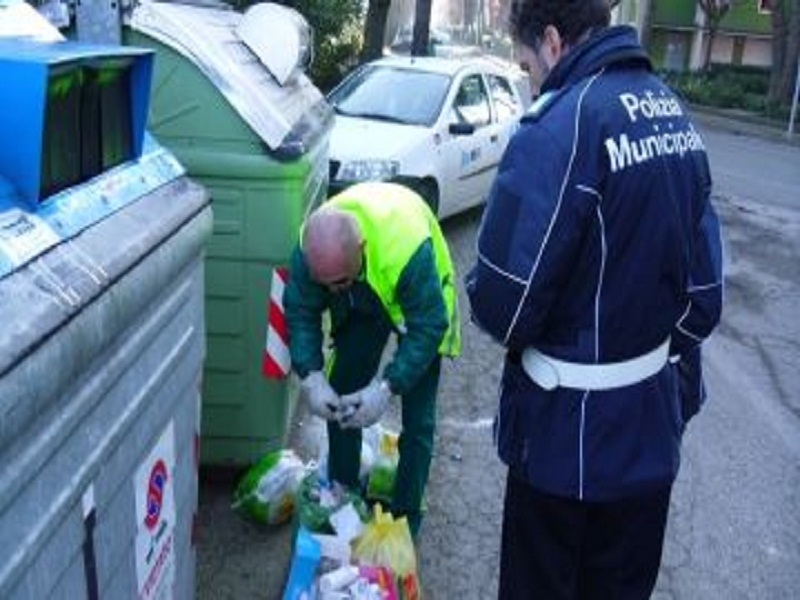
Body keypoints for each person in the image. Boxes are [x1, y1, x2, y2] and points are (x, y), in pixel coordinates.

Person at [465, 1, 723, 598]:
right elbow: (705, 297)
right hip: (650, 437)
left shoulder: (561, 124)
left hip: (562, 449)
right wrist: (638, 353)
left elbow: (506, 301)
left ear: (552, 41)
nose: (531, 83)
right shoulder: (675, 115)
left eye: (527, 68)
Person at [283, 181, 461, 537]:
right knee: (341, 394)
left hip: (419, 303)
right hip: (365, 290)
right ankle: (343, 497)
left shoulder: (408, 251)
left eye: (339, 282)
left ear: (360, 249)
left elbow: (428, 326)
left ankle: (406, 518)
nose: (332, 291)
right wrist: (312, 377)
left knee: (419, 419)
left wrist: (386, 387)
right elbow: (301, 310)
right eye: (326, 284)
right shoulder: (311, 250)